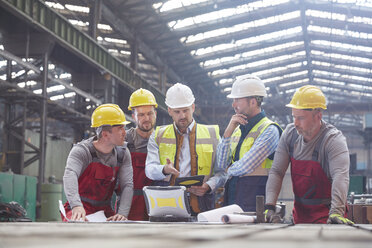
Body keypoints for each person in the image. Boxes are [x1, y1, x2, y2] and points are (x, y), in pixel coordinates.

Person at [265, 85, 353, 224]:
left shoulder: (333, 140)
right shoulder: (290, 134)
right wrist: (269, 206)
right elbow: (276, 171)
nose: (295, 123)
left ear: (318, 116)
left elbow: (340, 176)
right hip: (300, 216)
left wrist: (336, 212)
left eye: (301, 118)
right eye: (294, 117)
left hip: (327, 217)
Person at [145, 83, 227, 214]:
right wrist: (164, 169)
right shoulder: (158, 135)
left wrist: (209, 186)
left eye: (186, 110)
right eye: (177, 112)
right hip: (168, 203)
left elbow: (222, 172)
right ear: (169, 111)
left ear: (193, 107)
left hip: (202, 203)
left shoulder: (213, 134)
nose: (182, 116)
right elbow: (149, 169)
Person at [216, 75, 282, 212]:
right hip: (232, 198)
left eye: (237, 100)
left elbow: (247, 165)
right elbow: (221, 164)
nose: (233, 105)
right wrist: (227, 133)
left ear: (253, 102)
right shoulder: (236, 129)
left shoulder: (269, 130)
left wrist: (228, 171)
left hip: (254, 202)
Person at [62, 104, 133, 221]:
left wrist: (122, 214)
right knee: (77, 227)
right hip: (80, 208)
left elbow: (127, 185)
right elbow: (70, 175)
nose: (125, 132)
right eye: (120, 128)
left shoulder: (123, 154)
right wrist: (76, 205)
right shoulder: (82, 151)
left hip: (104, 210)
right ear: (105, 135)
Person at [126, 88, 157, 220]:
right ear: (133, 116)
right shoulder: (125, 139)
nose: (146, 119)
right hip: (130, 205)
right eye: (141, 115)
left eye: (150, 113)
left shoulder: (164, 139)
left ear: (156, 113)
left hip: (157, 203)